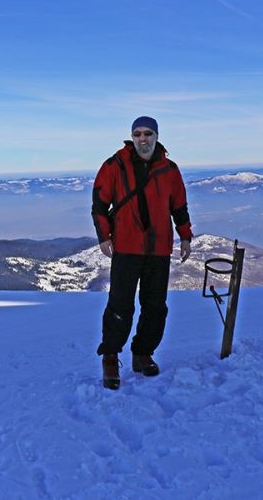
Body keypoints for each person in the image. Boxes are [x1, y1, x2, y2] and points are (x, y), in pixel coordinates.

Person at [91, 116, 193, 390]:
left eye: (148, 133)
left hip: (158, 248)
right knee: (120, 304)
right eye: (137, 134)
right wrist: (104, 237)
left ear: (156, 136)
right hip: (126, 247)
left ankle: (143, 353)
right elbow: (99, 204)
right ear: (131, 137)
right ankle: (110, 357)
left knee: (155, 305)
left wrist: (185, 236)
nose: (142, 138)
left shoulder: (169, 169)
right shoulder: (115, 165)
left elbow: (179, 206)